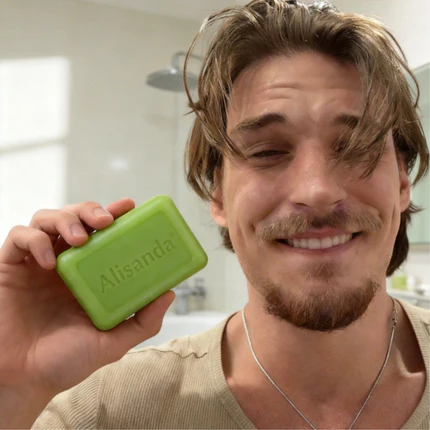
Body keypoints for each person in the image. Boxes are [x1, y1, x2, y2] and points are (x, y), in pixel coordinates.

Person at [0, 0, 429, 428]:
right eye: (268, 151)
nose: (317, 191)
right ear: (218, 195)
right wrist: (16, 387)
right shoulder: (102, 411)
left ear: (401, 182)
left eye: (356, 147)